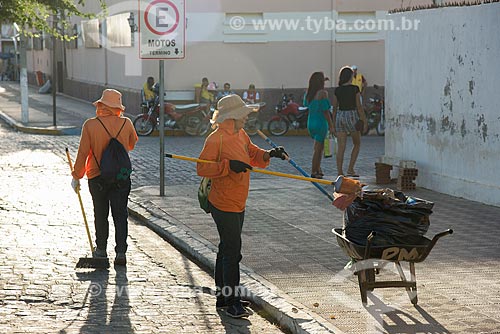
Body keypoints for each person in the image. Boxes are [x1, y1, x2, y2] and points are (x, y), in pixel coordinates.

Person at [196, 94, 287, 318]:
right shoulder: (215, 139)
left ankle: (223, 297)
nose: (246, 118)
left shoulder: (241, 134)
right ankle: (231, 301)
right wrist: (228, 166)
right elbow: (202, 168)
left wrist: (269, 154)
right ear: (232, 117)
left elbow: (253, 154)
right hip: (222, 202)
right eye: (243, 115)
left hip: (238, 201)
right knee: (232, 251)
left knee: (226, 249)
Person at [71, 89, 138, 266]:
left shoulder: (90, 125)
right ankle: (121, 252)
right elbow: (131, 144)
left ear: (101, 105)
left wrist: (77, 176)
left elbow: (83, 152)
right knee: (120, 214)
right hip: (121, 178)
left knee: (100, 213)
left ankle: (101, 250)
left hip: (97, 177)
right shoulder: (127, 123)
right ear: (117, 106)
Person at [332, 66, 368, 177]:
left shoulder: (337, 90)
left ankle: (339, 172)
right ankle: (350, 169)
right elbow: (359, 106)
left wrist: (333, 123)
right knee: (357, 143)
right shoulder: (355, 89)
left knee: (341, 146)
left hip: (340, 115)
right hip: (352, 115)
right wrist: (364, 121)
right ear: (350, 77)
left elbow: (334, 107)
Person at [304, 72, 334, 179]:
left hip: (311, 122)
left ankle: (318, 168)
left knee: (317, 147)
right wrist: (331, 125)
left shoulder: (309, 93)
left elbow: (306, 104)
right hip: (321, 123)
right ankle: (314, 171)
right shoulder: (323, 93)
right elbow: (326, 111)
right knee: (318, 149)